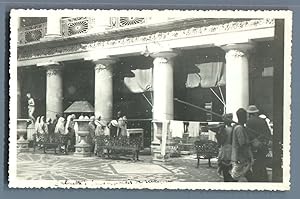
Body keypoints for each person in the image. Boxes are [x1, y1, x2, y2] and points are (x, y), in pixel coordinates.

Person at [246, 105, 272, 182]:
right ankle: (264, 179)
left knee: (255, 164)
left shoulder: (249, 122)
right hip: (263, 145)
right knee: (262, 163)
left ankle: (257, 179)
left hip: (254, 146)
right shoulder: (262, 121)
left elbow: (249, 135)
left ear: (250, 114)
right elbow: (268, 133)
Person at [231, 108, 254, 182]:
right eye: (246, 116)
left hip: (241, 158)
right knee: (238, 177)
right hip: (240, 158)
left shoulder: (240, 127)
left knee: (245, 176)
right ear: (243, 117)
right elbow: (242, 144)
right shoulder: (239, 128)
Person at [215, 113, 237, 182]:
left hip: (225, 150)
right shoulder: (234, 129)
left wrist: (218, 135)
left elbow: (221, 142)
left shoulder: (224, 130)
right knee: (232, 169)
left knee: (225, 170)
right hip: (232, 150)